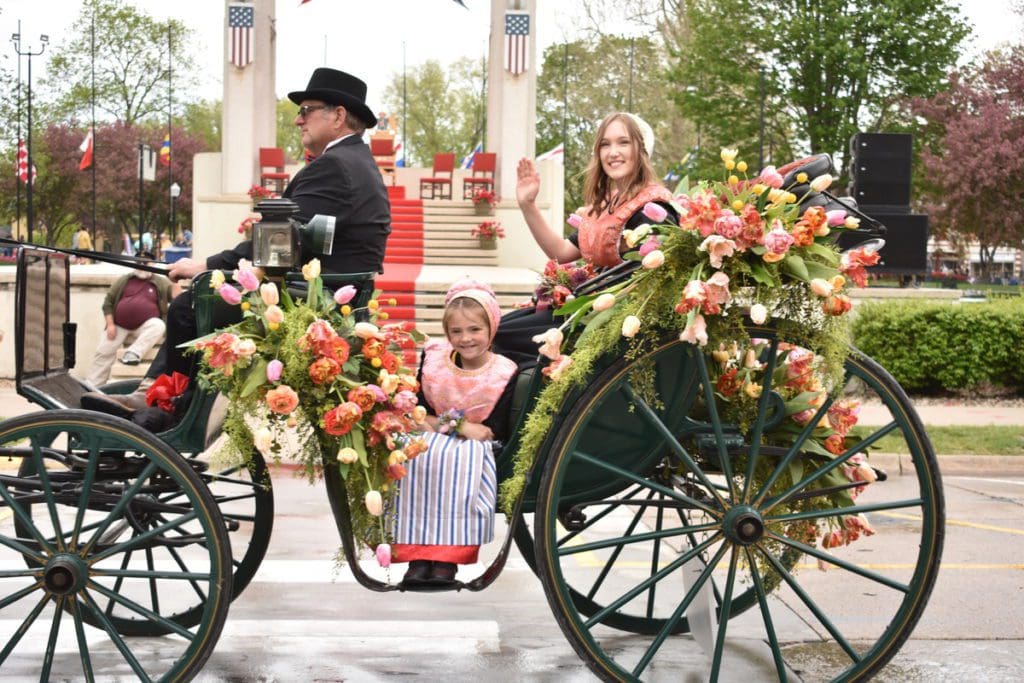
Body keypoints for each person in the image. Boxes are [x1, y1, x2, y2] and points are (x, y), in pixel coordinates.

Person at [83, 67, 390, 416]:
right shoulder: (355, 162)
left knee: (191, 304)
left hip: (315, 301)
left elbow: (281, 242)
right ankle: (165, 396)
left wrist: (203, 266)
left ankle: (163, 405)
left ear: (337, 116)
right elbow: (290, 240)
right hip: (329, 293)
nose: (297, 121)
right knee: (200, 297)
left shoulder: (335, 166)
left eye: (306, 110)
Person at [493, 112, 678, 365]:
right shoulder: (604, 206)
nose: (613, 152)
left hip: (610, 319)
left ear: (642, 150)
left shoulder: (653, 206)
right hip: (586, 304)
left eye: (623, 142)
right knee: (497, 327)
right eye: (605, 144)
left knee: (501, 336)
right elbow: (561, 253)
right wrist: (527, 204)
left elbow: (651, 280)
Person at [394, 279, 518, 585]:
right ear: (447, 333)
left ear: (491, 328)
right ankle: (417, 555)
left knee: (457, 460)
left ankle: (447, 559)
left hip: (474, 449)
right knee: (414, 453)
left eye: (475, 329)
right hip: (432, 437)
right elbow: (419, 412)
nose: (466, 339)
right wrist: (459, 425)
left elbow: (491, 432)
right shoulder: (434, 361)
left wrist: (443, 425)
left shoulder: (504, 372)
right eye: (457, 331)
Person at [84, 251, 175, 387]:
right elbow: (108, 302)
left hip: (145, 325)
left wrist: (175, 281)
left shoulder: (161, 282)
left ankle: (134, 353)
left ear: (153, 264)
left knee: (159, 325)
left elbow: (176, 298)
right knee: (103, 352)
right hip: (119, 325)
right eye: (139, 262)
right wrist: (110, 324)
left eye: (146, 262)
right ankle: (92, 386)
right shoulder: (124, 280)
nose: (142, 265)